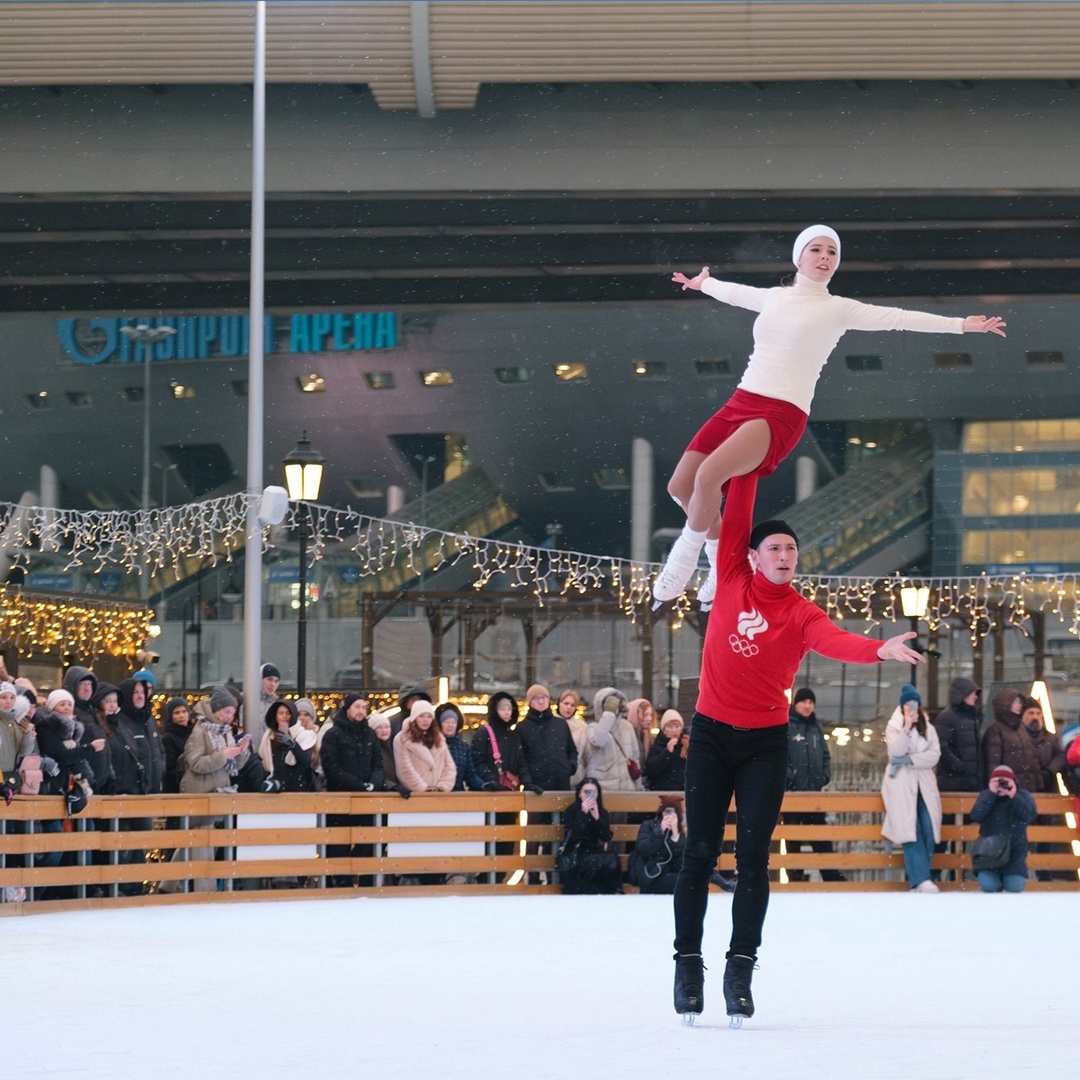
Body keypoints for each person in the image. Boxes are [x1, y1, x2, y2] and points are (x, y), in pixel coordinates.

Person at [671, 471, 924, 1026]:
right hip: (711, 734)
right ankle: (687, 962)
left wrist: (879, 649)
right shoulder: (732, 574)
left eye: (792, 548)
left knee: (754, 861)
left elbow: (835, 640)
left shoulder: (802, 612)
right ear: (755, 556)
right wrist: (748, 466)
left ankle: (741, 966)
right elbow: (735, 509)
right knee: (698, 855)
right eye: (776, 548)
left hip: (766, 741)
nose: (785, 555)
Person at [654, 225, 1006, 607]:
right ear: (798, 257)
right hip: (740, 402)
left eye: (832, 253)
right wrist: (704, 283)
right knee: (681, 486)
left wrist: (961, 325)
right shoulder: (774, 298)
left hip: (780, 412)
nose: (825, 258)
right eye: (816, 250)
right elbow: (735, 293)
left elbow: (898, 318)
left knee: (709, 478)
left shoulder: (838, 309)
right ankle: (721, 564)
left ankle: (683, 559)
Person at [881, 684, 943, 893]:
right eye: (907, 704)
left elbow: (934, 755)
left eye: (914, 703)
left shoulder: (928, 727)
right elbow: (895, 751)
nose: (911, 707)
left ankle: (921, 878)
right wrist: (906, 730)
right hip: (901, 783)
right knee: (909, 830)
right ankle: (920, 880)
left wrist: (909, 759)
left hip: (924, 783)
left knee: (928, 828)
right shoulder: (894, 726)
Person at [319, 694, 383, 886]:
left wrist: (373, 783)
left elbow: (378, 764)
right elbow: (330, 767)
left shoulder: (370, 734)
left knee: (366, 840)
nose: (361, 711)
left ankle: (362, 879)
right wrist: (357, 785)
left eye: (364, 707)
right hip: (340, 798)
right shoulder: (333, 734)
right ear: (347, 709)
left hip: (366, 798)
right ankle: (341, 880)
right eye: (357, 707)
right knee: (339, 842)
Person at [784, 687, 845, 883]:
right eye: (804, 702)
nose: (808, 706)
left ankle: (830, 875)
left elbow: (825, 755)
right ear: (796, 703)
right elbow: (780, 756)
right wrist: (789, 779)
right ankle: (795, 877)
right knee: (793, 837)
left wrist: (824, 776)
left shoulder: (815, 727)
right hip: (793, 794)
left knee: (820, 835)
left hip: (814, 793)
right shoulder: (787, 725)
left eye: (811, 702)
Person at [970, 764, 1037, 893]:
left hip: (1014, 851)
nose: (1001, 784)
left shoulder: (1022, 795)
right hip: (989, 852)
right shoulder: (986, 795)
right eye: (997, 781)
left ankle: (1007, 879)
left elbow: (1029, 816)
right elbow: (976, 816)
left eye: (1005, 781)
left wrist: (1013, 795)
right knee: (988, 886)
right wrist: (991, 794)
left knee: (1015, 887)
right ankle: (995, 881)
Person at [558, 777, 622, 895]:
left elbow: (605, 837)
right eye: (586, 792)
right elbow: (573, 837)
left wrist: (598, 819)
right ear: (579, 794)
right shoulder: (572, 811)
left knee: (613, 859)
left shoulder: (601, 811)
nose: (589, 796)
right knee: (594, 861)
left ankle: (610, 891)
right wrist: (583, 814)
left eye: (593, 792)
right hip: (574, 854)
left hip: (594, 851)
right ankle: (587, 890)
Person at [517, 684, 576, 791]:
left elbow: (571, 749)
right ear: (529, 702)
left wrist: (570, 767)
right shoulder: (522, 727)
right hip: (536, 786)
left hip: (562, 783)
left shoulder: (560, 724)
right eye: (536, 698)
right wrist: (527, 781)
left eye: (544, 697)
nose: (541, 701)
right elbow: (520, 759)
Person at [585, 687, 643, 792]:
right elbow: (599, 740)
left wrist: (638, 786)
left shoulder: (626, 726)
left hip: (627, 789)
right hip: (604, 791)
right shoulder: (593, 727)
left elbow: (634, 757)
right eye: (610, 704)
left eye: (616, 704)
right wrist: (608, 714)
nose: (614, 707)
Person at [64, 665, 111, 795]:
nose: (87, 688)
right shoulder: (69, 714)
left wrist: (110, 777)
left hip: (101, 785)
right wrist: (89, 779)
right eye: (82, 684)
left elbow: (105, 746)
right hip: (83, 786)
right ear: (73, 686)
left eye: (89, 684)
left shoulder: (94, 713)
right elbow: (74, 753)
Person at [984, 688, 1041, 793]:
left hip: (1027, 789)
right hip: (1008, 790)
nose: (1019, 705)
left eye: (1020, 702)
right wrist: (999, 787)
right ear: (1004, 705)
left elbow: (1032, 758)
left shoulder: (1021, 728)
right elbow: (993, 764)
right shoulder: (995, 731)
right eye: (1015, 702)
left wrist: (1039, 782)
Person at [393, 700, 457, 793]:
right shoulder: (402, 738)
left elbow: (450, 766)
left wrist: (443, 787)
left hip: (439, 795)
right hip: (415, 795)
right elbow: (404, 769)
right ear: (414, 718)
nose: (426, 720)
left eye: (429, 716)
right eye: (421, 716)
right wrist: (423, 788)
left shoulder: (438, 737)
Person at [932, 677, 983, 792]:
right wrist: (959, 766)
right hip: (954, 781)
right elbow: (941, 747)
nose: (975, 697)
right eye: (972, 693)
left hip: (970, 781)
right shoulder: (947, 718)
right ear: (962, 694)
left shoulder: (973, 717)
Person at [628, 795, 686, 894]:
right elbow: (644, 850)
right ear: (661, 812)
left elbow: (680, 863)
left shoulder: (679, 833)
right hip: (649, 875)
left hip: (668, 874)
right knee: (681, 882)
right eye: (666, 812)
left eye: (673, 812)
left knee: (685, 881)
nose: (669, 816)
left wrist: (675, 835)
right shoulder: (648, 826)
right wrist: (659, 832)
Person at [260, 700, 316, 792]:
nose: (284, 716)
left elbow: (305, 761)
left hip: (297, 788)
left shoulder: (303, 735)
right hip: (276, 788)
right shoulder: (269, 736)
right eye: (281, 713)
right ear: (276, 716)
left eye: (288, 713)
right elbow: (263, 758)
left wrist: (292, 744)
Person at [437, 702, 484, 792]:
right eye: (446, 722)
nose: (450, 725)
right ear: (440, 724)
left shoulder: (463, 747)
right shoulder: (434, 744)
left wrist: (483, 785)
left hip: (457, 795)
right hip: (438, 795)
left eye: (453, 722)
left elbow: (470, 775)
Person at [645, 709, 687, 791]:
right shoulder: (658, 745)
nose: (674, 730)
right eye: (670, 727)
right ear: (664, 730)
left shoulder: (685, 744)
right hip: (661, 792)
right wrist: (667, 752)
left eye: (677, 726)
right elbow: (652, 769)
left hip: (682, 792)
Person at [160, 696, 193, 794]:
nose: (181, 715)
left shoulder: (195, 733)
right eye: (177, 713)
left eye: (184, 711)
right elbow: (168, 769)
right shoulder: (167, 738)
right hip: (175, 788)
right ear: (171, 716)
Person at [556, 689, 589, 788]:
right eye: (566, 703)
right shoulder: (550, 725)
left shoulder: (582, 727)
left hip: (578, 779)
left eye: (572, 705)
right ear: (559, 704)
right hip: (556, 779)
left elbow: (587, 755)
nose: (568, 707)